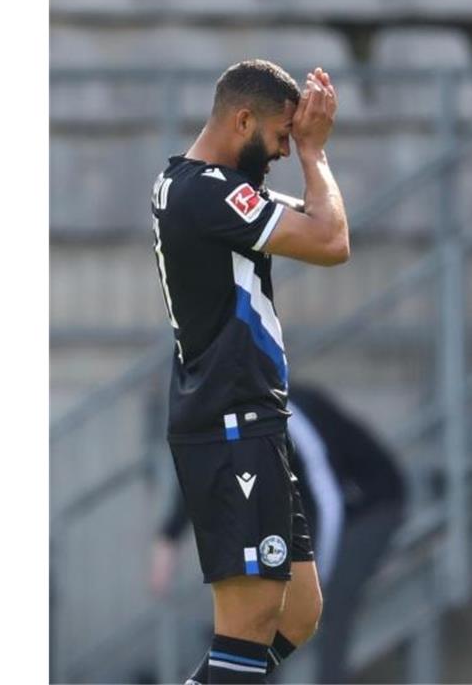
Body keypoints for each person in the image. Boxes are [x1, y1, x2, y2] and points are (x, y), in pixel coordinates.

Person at [150, 59, 349, 683]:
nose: (286, 152)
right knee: (252, 617)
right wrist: (318, 155)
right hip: (230, 420)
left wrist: (308, 151)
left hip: (248, 418)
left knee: (299, 611)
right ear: (242, 120)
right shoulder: (208, 192)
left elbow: (321, 227)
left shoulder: (194, 185)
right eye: (282, 137)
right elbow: (331, 240)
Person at [151, 384, 407, 683]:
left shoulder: (289, 421)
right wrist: (168, 539)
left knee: (332, 602)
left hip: (369, 504)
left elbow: (330, 503)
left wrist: (318, 576)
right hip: (311, 507)